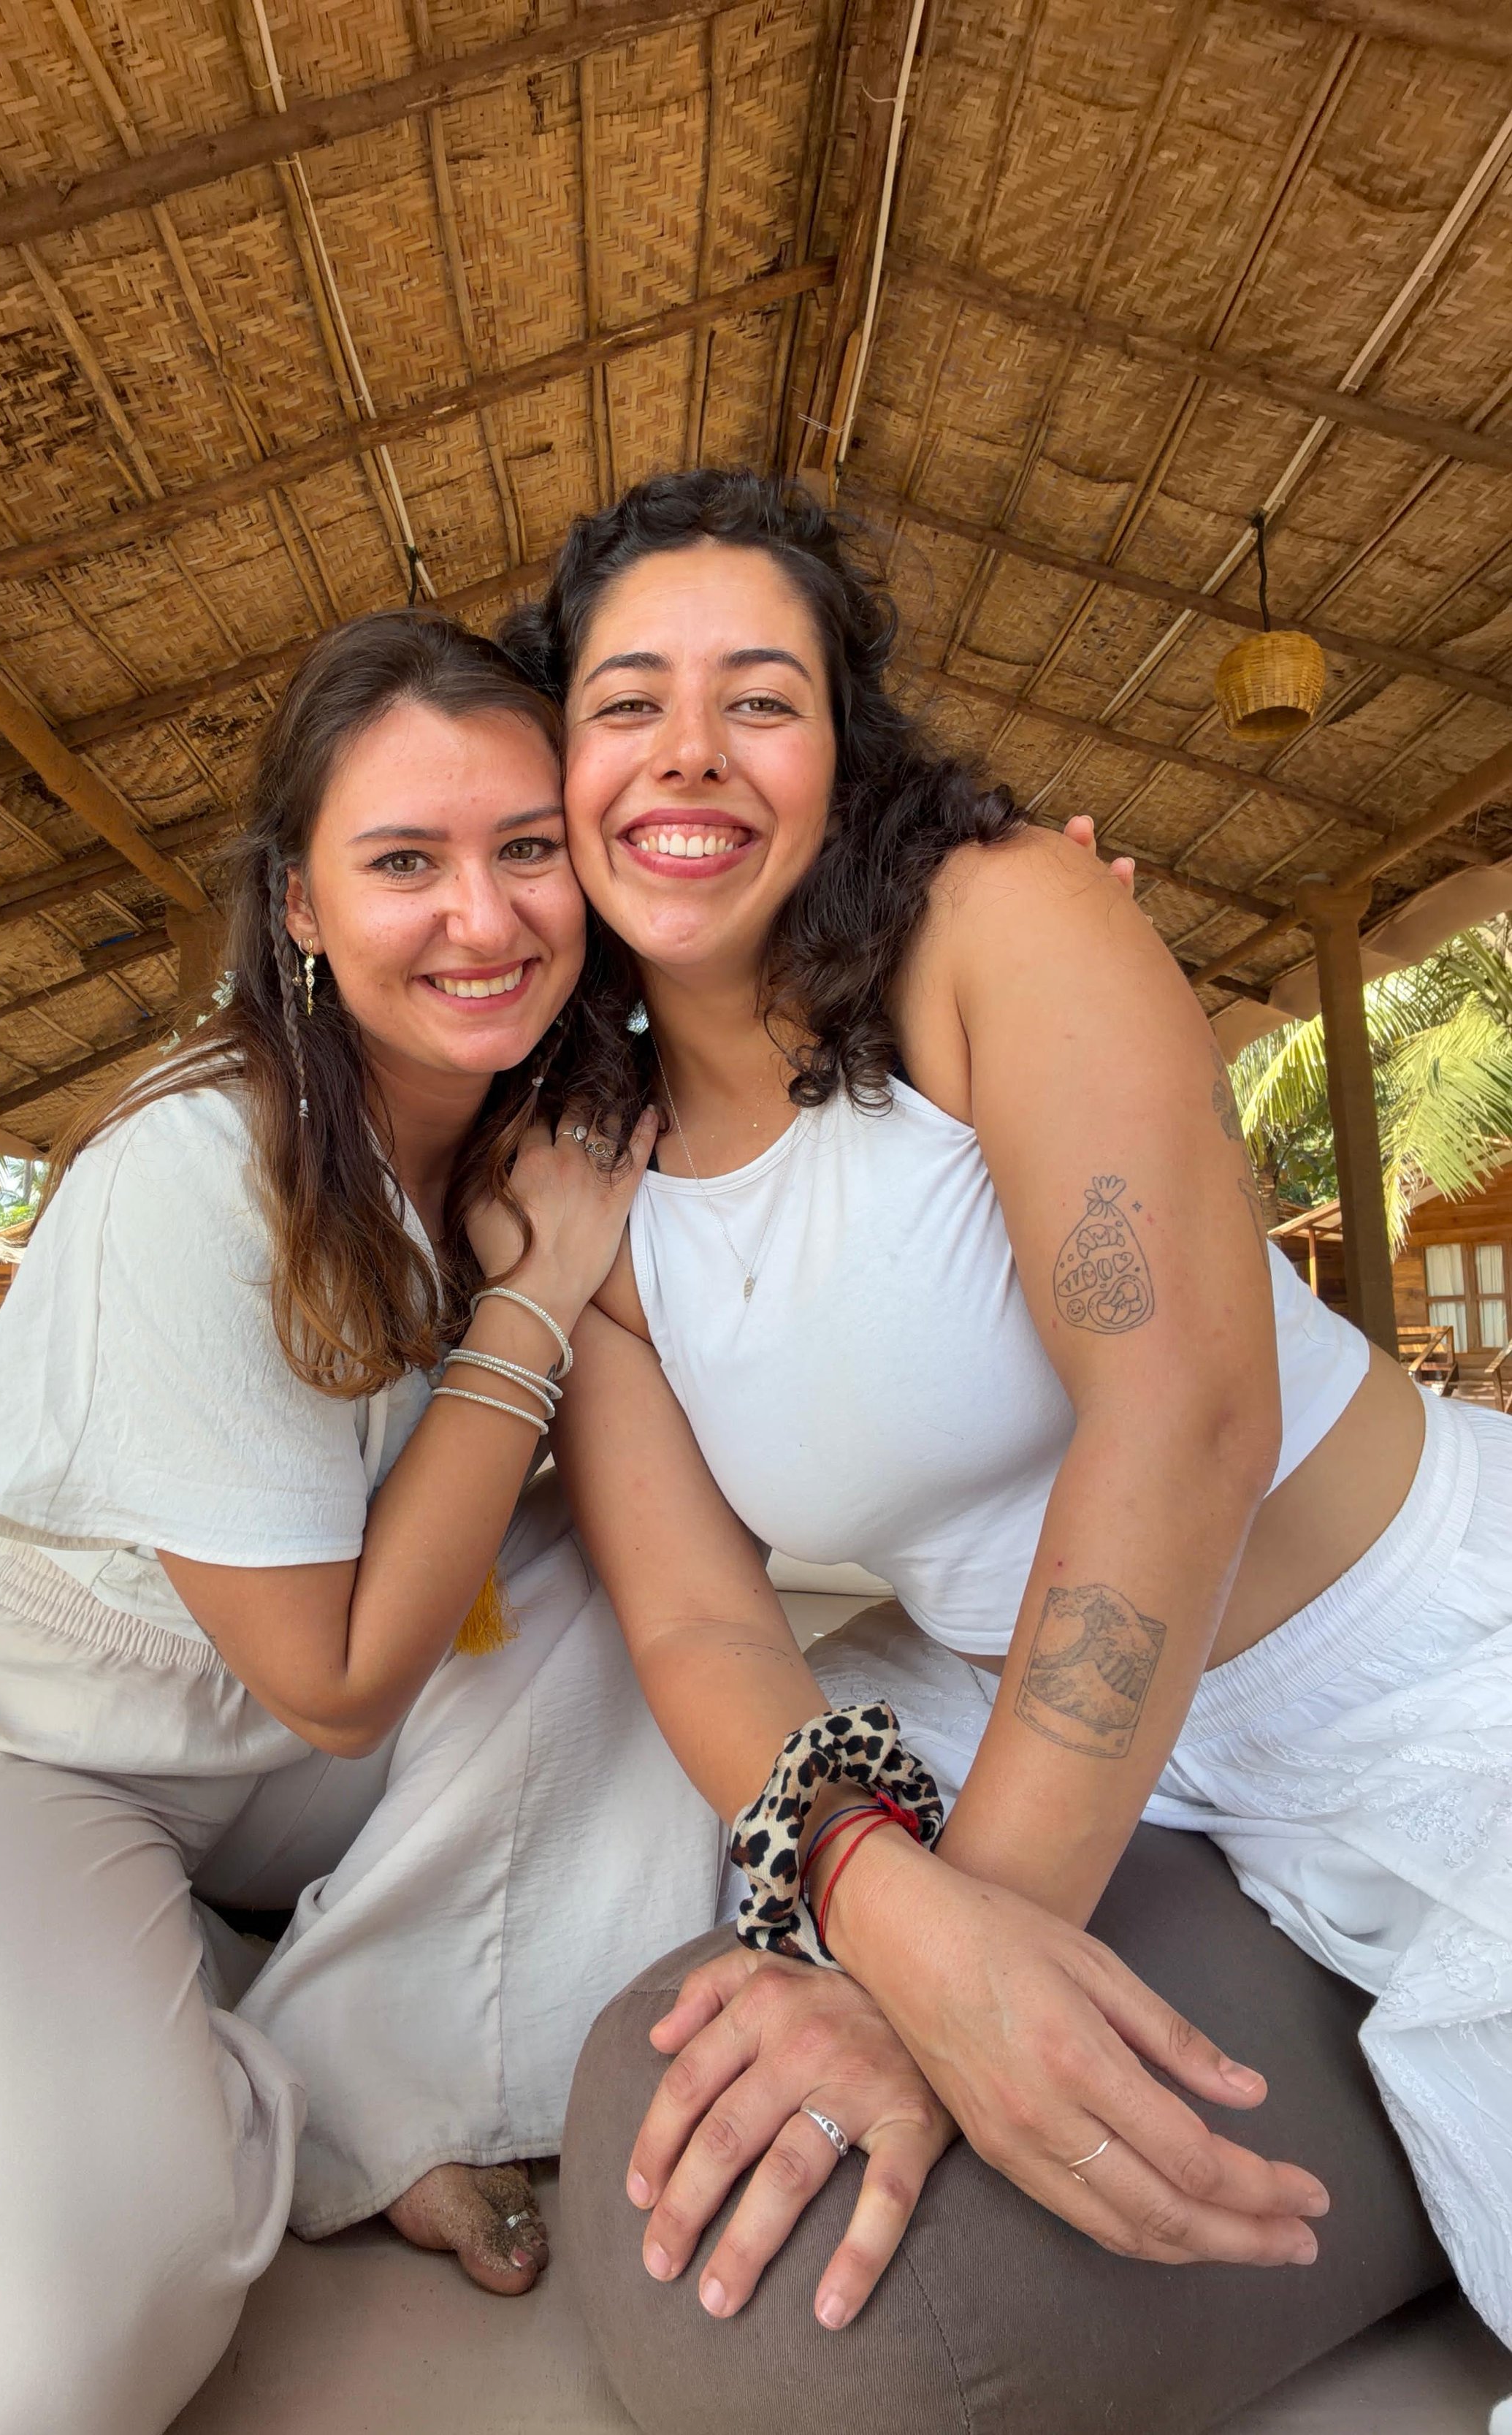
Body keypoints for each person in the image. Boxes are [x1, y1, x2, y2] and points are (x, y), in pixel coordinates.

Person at [496, 471, 1512, 2367]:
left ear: (845, 751)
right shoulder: (591, 1177)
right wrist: (889, 1905)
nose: (686, 753)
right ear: (553, 770)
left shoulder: (1002, 921)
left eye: (760, 699)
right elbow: (706, 1620)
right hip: (984, 1681)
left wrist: (952, 1963)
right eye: (624, 701)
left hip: (1408, 1652)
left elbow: (1180, 1409)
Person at [0, 611, 722, 2435]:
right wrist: (532, 1303)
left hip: (306, 1748)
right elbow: (335, 1679)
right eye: (404, 860)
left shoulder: (548, 1130)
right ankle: (224, 2053)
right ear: (302, 907)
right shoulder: (199, 1163)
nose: (483, 919)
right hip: (37, 1747)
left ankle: (353, 2075)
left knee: (640, 1622)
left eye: (524, 851)